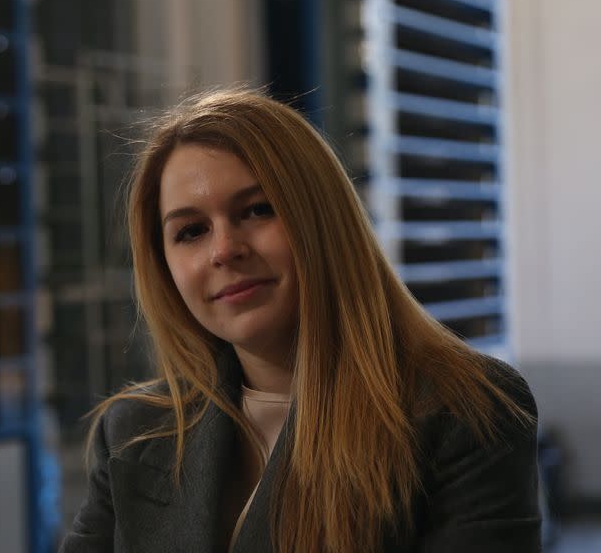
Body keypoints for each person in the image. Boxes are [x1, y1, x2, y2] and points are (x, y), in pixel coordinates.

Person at [60, 89, 540, 553]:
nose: (225, 250)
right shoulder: (135, 432)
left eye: (257, 210)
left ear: (322, 218)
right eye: (191, 231)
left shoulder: (464, 411)